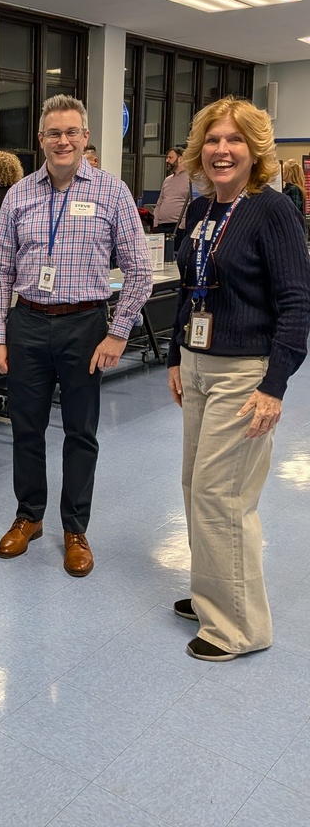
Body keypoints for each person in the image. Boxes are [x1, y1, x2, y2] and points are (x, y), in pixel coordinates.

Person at [167, 97, 310, 662]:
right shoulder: (203, 210)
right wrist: (178, 357)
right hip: (199, 363)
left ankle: (240, 628)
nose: (221, 150)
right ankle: (211, 595)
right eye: (212, 140)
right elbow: (190, 289)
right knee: (194, 487)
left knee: (222, 496)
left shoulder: (272, 210)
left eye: (234, 141)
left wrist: (274, 384)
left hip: (243, 372)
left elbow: (297, 303)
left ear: (256, 152)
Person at [0, 94, 152, 575]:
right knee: (26, 428)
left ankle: (75, 528)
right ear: (40, 140)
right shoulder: (19, 195)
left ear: (85, 139)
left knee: (81, 431)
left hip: (85, 325)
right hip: (28, 323)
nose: (63, 140)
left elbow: (139, 273)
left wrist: (118, 333)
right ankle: (28, 516)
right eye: (53, 133)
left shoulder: (112, 192)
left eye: (72, 132)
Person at [152, 148, 191, 249]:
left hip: (178, 228)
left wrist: (182, 225)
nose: (167, 160)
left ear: (180, 159)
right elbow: (159, 202)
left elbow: (192, 203)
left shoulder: (191, 180)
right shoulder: (167, 180)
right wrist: (156, 223)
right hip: (161, 227)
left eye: (170, 157)